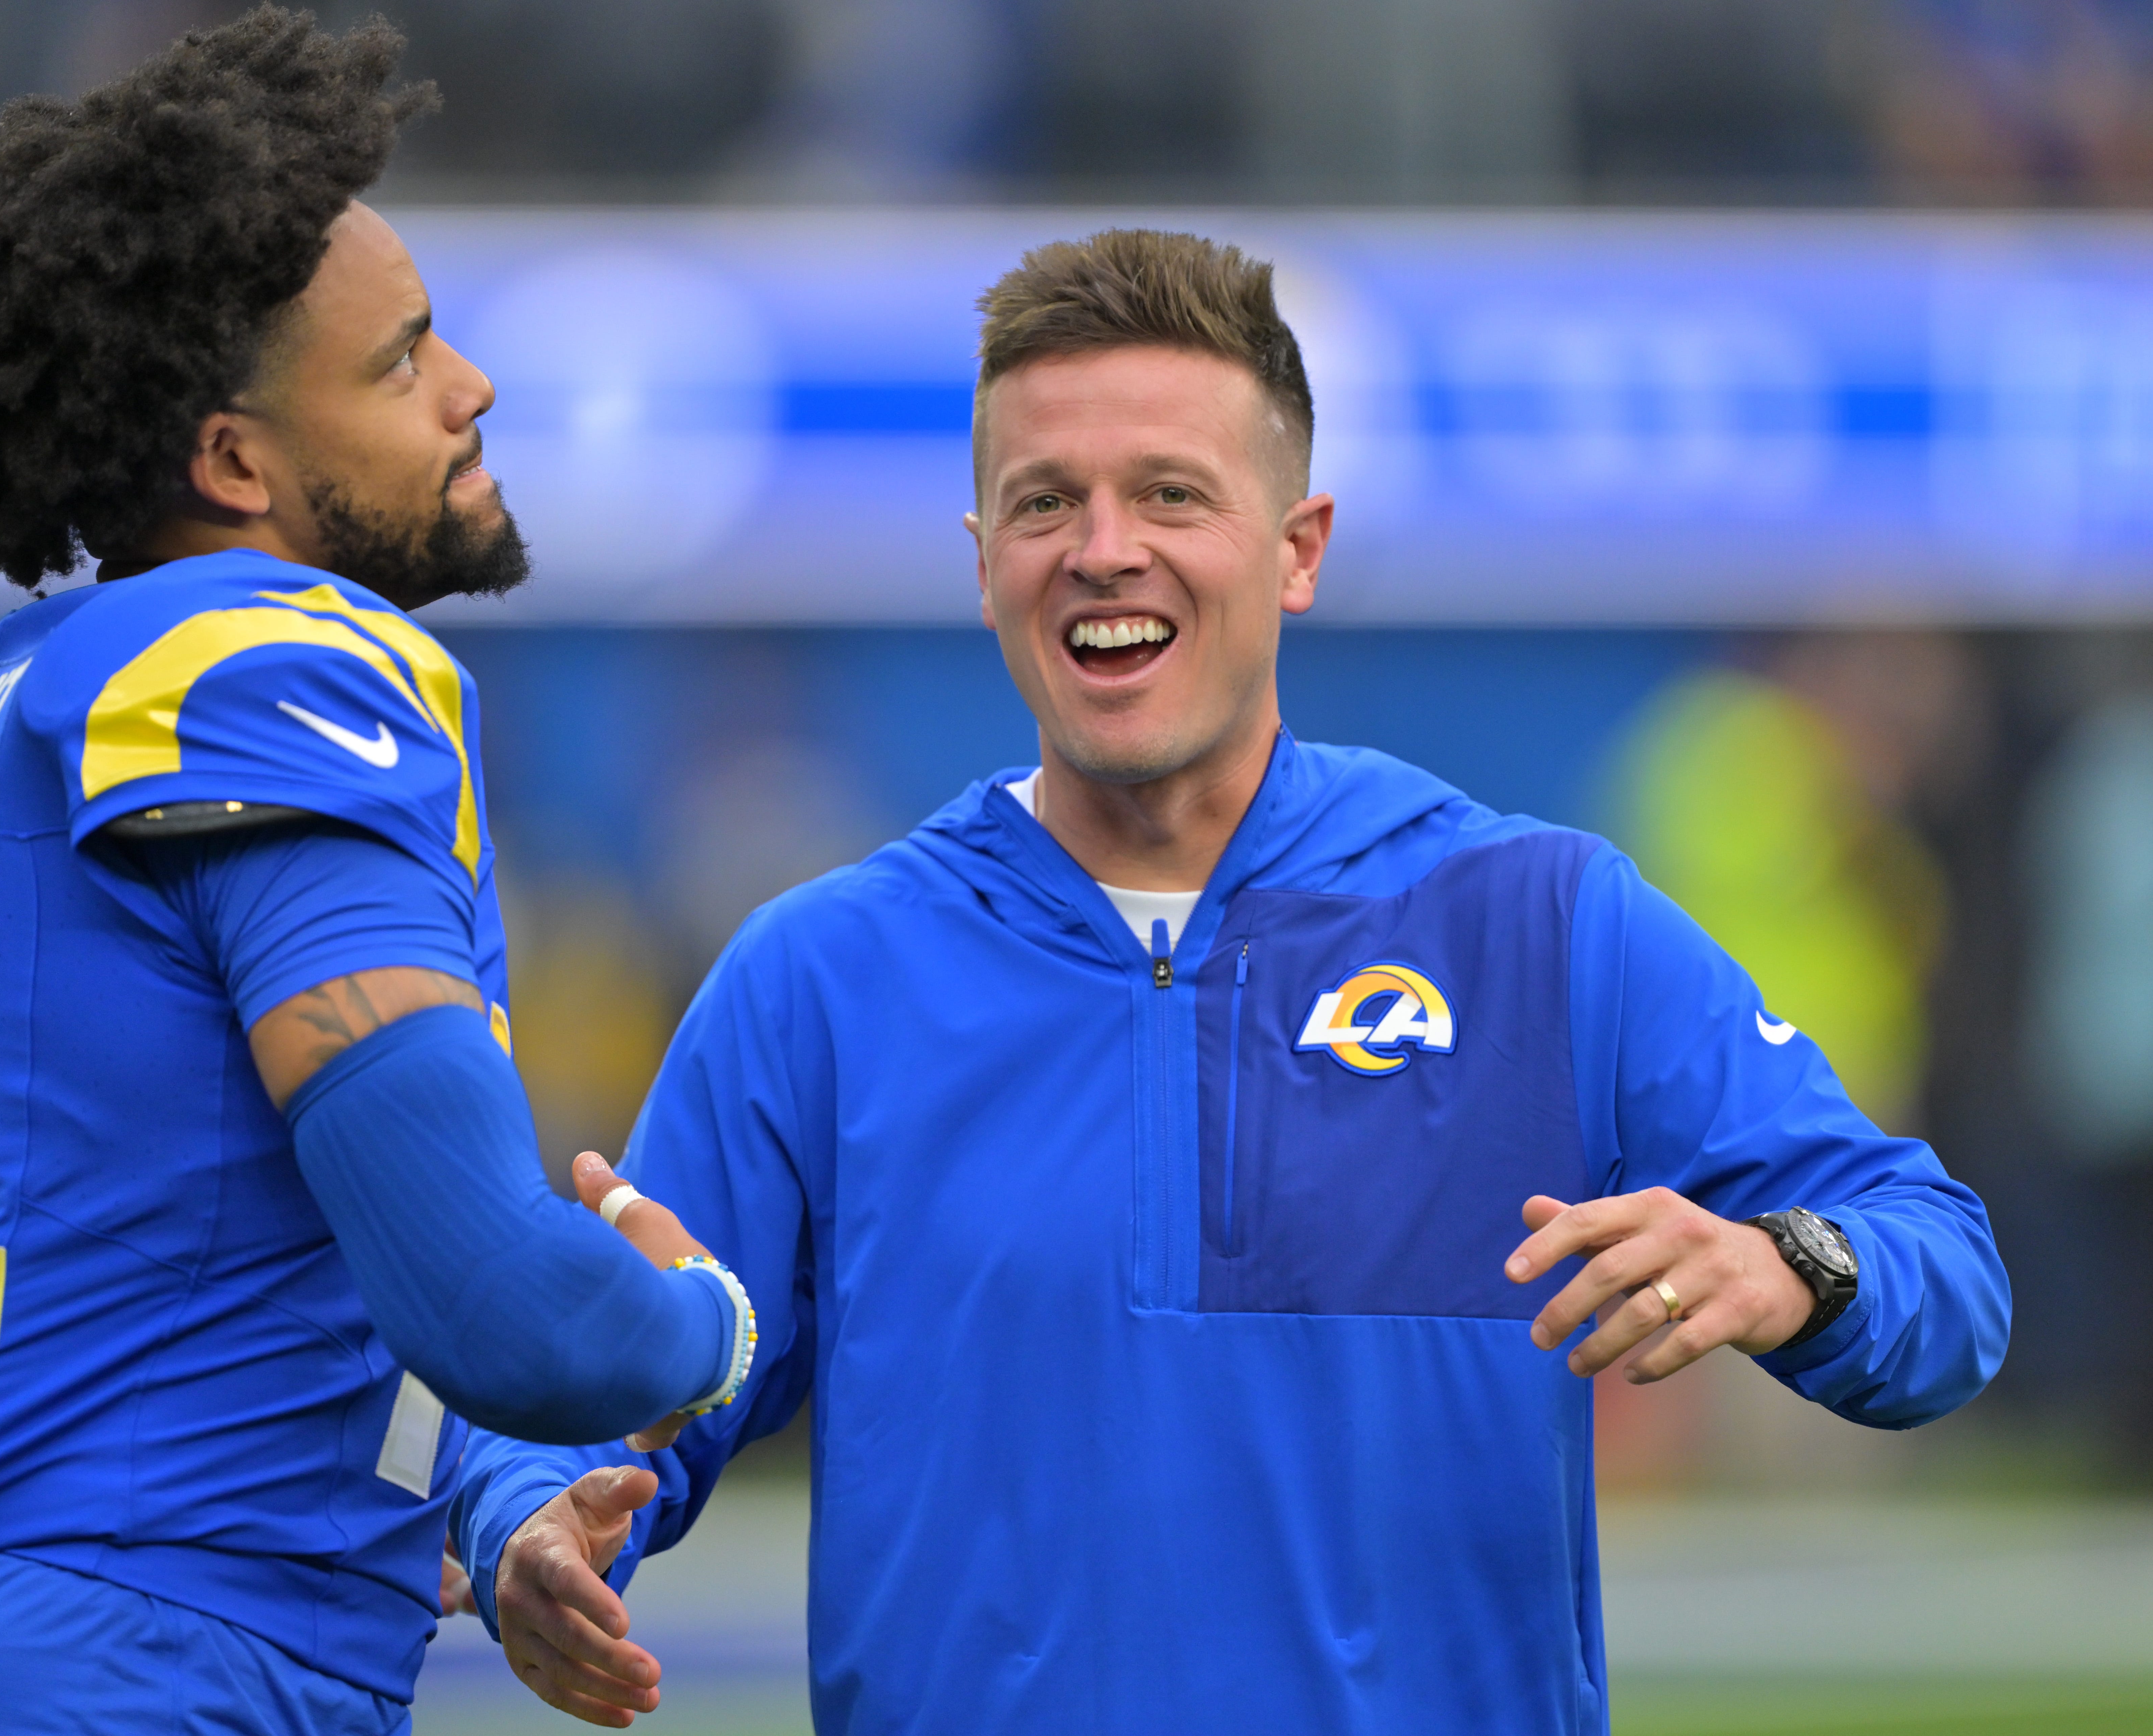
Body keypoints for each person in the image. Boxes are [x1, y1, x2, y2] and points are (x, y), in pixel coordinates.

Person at [448, 229, 2012, 1734]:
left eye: (1169, 493)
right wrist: (532, 1517)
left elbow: (1938, 1269)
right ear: (983, 563)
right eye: (1044, 501)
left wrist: (1784, 1265)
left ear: (1297, 551)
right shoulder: (822, 977)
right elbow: (577, 1384)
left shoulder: (1538, 923)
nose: (1101, 548)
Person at [0, 11, 755, 1735]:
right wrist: (708, 1324)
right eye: (398, 364)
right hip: (148, 1660)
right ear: (235, 460)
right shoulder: (275, 656)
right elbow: (508, 1306)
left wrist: (476, 1498)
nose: (469, 388)